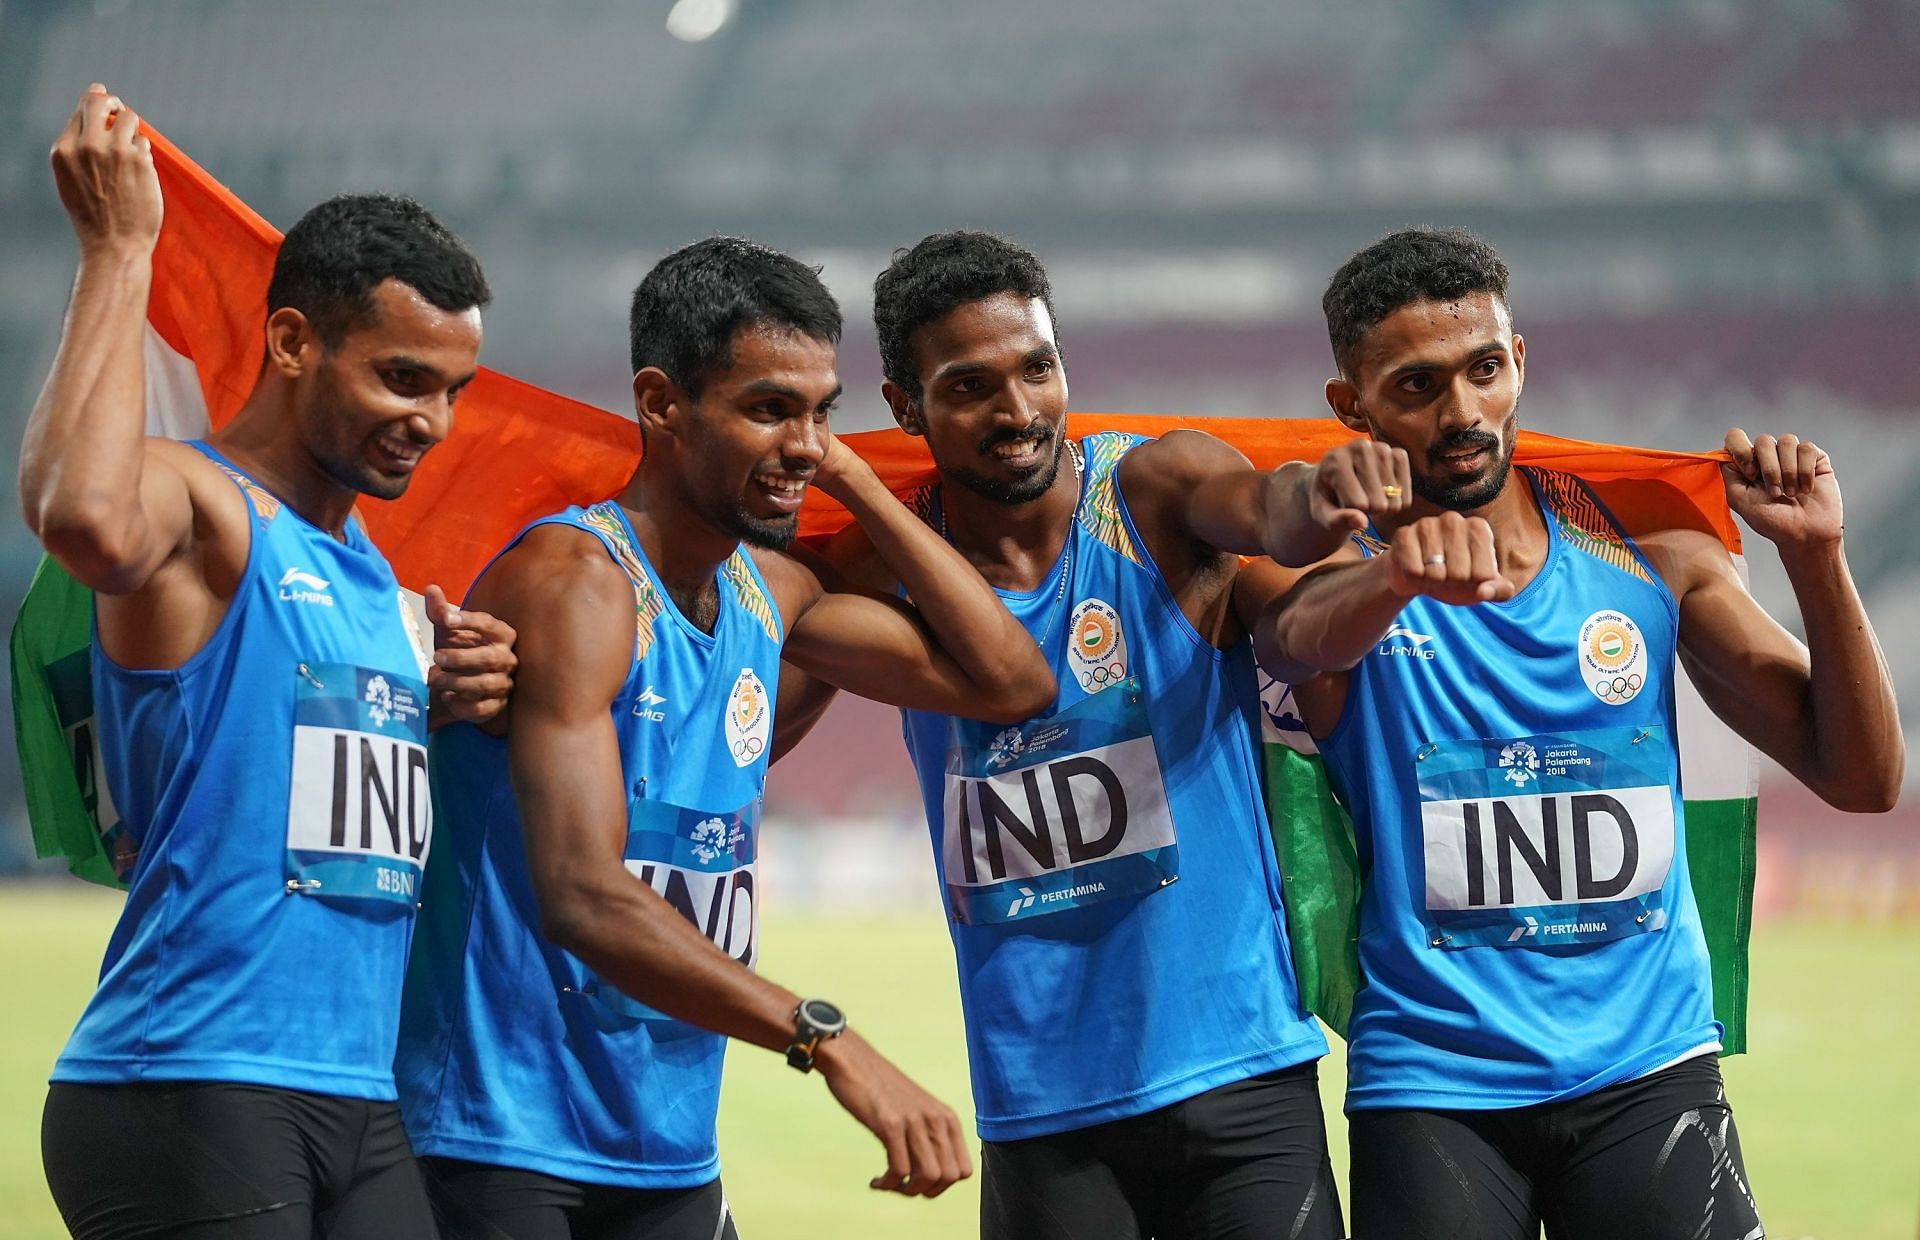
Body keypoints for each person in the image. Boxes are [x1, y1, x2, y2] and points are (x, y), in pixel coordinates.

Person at [394, 236, 1057, 1240]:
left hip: (665, 1143)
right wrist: (829, 1040)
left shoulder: (772, 595)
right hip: (500, 1141)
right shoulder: (576, 585)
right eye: (768, 409)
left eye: (824, 411)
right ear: (661, 403)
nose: (806, 445)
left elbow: (1011, 682)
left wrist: (860, 484)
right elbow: (581, 894)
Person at [1255, 226, 1903, 1239]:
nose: (1462, 412)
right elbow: (1294, 643)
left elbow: (1863, 778)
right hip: (1436, 1087)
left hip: (1649, 1071)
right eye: (1418, 388)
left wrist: (1818, 558)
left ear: (1519, 362)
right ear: (1353, 407)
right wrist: (1395, 576)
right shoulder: (1335, 578)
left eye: (1482, 369)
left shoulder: (1652, 558)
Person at [786, 230, 1406, 1239]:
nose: (1018, 409)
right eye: (971, 385)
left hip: (1240, 1072)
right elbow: (750, 730)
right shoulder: (881, 566)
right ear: (906, 406)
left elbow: (1270, 510)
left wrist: (1322, 496)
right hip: (1044, 1105)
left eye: (1038, 367)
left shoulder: (1154, 493)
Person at [24, 86, 518, 1239]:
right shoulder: (204, 509)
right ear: (292, 341)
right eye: (403, 379)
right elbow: (79, 513)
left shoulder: (383, 593)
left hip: (357, 1092)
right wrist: (119, 250)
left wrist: (449, 703)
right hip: (186, 1074)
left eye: (455, 391)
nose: (435, 422)